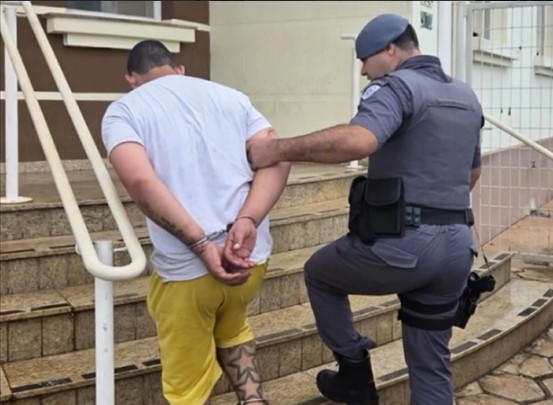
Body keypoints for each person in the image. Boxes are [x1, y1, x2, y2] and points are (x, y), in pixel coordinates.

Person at [247, 13, 483, 405]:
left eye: (364, 60)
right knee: (431, 366)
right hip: (458, 247)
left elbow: (358, 140)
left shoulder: (396, 86)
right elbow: (472, 173)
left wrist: (276, 149)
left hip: (405, 246)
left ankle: (354, 372)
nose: (362, 72)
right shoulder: (465, 95)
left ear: (389, 49)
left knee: (320, 273)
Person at [101, 39, 291, 405]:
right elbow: (277, 156)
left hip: (187, 269)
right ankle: (253, 401)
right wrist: (247, 220)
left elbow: (139, 180)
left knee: (185, 386)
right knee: (232, 326)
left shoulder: (124, 110)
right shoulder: (231, 97)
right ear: (179, 68)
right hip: (249, 255)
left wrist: (202, 246)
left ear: (131, 78)